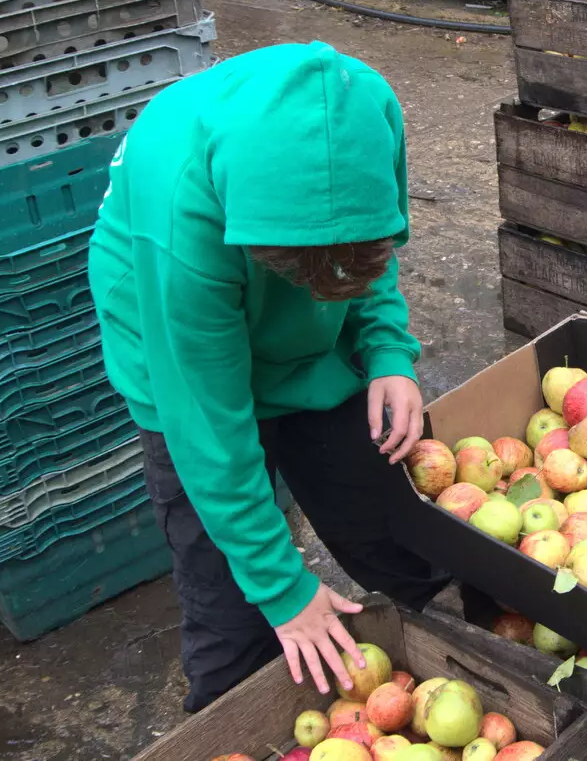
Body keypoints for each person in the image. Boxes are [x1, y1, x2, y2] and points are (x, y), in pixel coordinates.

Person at [89, 40, 446, 711]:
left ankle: (467, 650)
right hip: (176, 333)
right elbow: (209, 428)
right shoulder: (181, 216)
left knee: (390, 525)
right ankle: (227, 713)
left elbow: (367, 232)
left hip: (302, 333)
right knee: (232, 604)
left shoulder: (366, 110)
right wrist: (284, 588)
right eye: (307, 273)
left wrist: (387, 350)